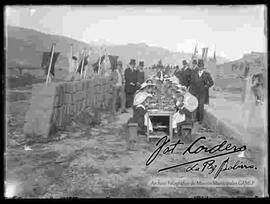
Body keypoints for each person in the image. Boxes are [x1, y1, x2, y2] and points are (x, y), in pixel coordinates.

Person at [189, 59, 214, 124]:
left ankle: (200, 120)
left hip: (203, 93)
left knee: (201, 107)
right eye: (199, 66)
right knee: (195, 106)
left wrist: (206, 86)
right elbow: (191, 83)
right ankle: (194, 119)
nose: (200, 68)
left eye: (201, 66)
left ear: (203, 67)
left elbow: (211, 83)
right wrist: (190, 91)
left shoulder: (207, 74)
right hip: (195, 92)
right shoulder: (194, 73)